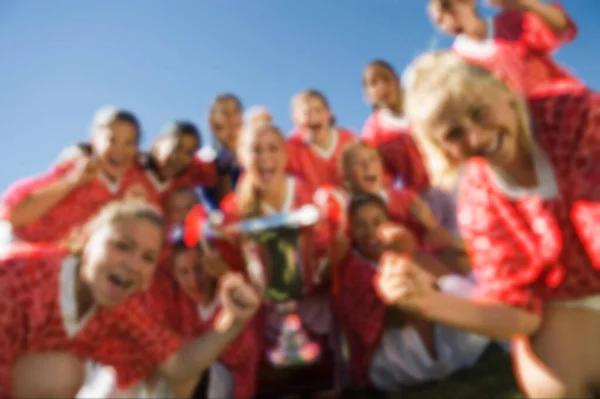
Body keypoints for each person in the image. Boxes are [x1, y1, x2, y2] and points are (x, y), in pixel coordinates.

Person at [375, 50, 600, 398]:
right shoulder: (479, 201)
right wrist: (426, 302)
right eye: (454, 134)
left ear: (504, 86)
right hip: (575, 301)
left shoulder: (576, 114)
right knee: (554, 383)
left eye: (479, 112)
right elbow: (522, 314)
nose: (477, 138)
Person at [0, 200, 260, 399]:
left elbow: (177, 365)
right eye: (122, 246)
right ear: (86, 240)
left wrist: (233, 321)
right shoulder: (18, 273)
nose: (133, 265)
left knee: (64, 373)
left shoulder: (121, 306)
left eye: (148, 258)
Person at [334, 194, 491, 393]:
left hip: (431, 342)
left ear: (389, 224)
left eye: (377, 221)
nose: (370, 231)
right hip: (390, 362)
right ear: (351, 232)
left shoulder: (404, 249)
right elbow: (393, 319)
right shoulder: (352, 270)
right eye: (360, 225)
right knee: (443, 286)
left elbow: (450, 265)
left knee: (455, 282)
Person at [0, 106, 141, 243]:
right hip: (21, 245)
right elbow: (14, 217)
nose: (120, 150)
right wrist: (72, 180)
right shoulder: (75, 168)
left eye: (129, 143)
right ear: (93, 142)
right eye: (112, 140)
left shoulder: (132, 185)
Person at [427, 0, 583, 97]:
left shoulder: (510, 23)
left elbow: (563, 29)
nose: (448, 22)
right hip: (525, 136)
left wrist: (525, 3)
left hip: (564, 104)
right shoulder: (457, 62)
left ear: (469, 2)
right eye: (440, 21)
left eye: (451, 11)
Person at [286, 89, 356, 194]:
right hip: (311, 207)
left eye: (318, 110)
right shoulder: (293, 148)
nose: (314, 117)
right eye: (307, 113)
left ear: (329, 112)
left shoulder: (348, 140)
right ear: (295, 120)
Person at [202, 94, 245, 209]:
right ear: (212, 121)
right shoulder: (206, 158)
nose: (231, 117)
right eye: (224, 113)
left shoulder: (255, 151)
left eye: (236, 111)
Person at [361, 60, 410, 147]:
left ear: (397, 81)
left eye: (386, 79)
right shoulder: (371, 133)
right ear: (367, 94)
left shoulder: (420, 109)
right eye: (374, 83)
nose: (382, 86)